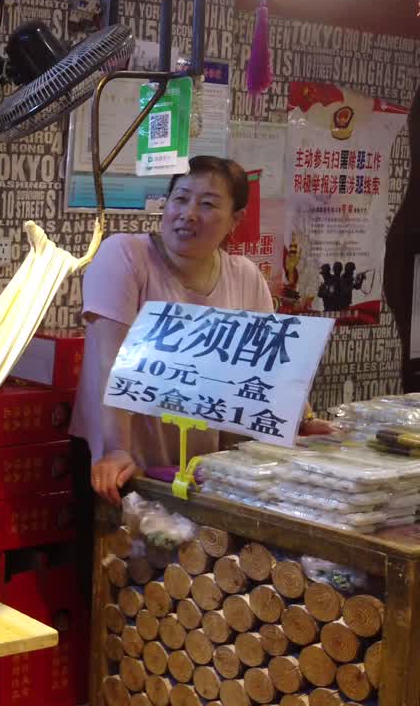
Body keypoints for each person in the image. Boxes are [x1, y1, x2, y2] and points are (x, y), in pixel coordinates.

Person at [73, 156, 328, 507]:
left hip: (199, 467)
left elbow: (273, 369)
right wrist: (116, 448)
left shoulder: (245, 275)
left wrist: (302, 418)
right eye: (180, 198)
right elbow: (110, 362)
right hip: (120, 463)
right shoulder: (125, 256)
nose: (188, 214)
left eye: (207, 204)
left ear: (235, 219)